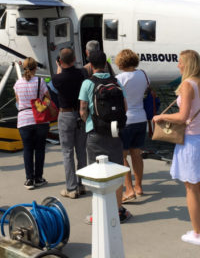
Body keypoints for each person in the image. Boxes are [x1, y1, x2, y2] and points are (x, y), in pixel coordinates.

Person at [152, 50, 200, 246]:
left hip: (192, 141)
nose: (178, 65)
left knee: (190, 187)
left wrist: (161, 117)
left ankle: (196, 234)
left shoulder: (188, 85)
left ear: (187, 65)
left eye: (180, 62)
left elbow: (182, 117)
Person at [79, 50, 131, 223]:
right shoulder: (115, 81)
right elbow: (125, 106)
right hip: (115, 132)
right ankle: (117, 209)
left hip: (95, 133)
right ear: (106, 63)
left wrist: (87, 122)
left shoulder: (87, 83)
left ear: (90, 65)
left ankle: (98, 213)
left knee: (96, 174)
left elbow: (83, 109)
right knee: (116, 172)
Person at [51, 47, 87, 199]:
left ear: (59, 61)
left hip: (65, 114)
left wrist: (59, 66)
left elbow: (57, 83)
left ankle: (71, 188)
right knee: (81, 151)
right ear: (74, 59)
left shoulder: (57, 78)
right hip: (80, 113)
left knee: (67, 152)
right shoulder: (82, 74)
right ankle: (82, 184)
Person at [114, 49, 148, 202]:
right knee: (137, 153)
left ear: (121, 62)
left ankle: (129, 189)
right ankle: (139, 186)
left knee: (122, 155)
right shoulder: (143, 75)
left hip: (126, 120)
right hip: (141, 118)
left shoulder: (119, 79)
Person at [14, 57, 49, 189]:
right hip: (39, 119)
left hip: (24, 119)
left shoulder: (17, 84)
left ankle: (29, 179)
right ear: (35, 68)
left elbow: (18, 101)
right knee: (40, 149)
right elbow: (47, 99)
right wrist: (40, 106)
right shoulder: (40, 81)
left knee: (27, 150)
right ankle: (39, 177)